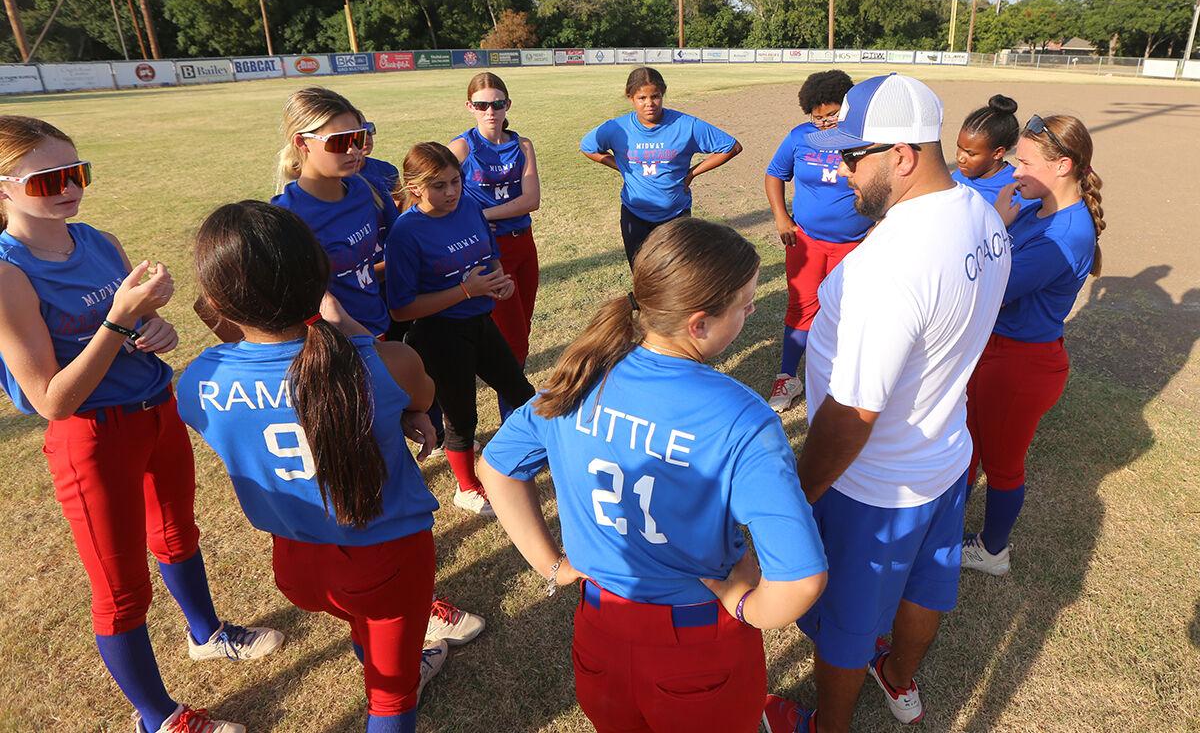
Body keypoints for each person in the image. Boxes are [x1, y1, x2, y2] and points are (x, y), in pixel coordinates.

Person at [479, 218, 828, 733]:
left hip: (599, 635)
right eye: (746, 304)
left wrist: (550, 566)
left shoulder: (578, 379)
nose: (753, 312)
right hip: (698, 649)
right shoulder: (742, 420)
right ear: (699, 323)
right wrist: (746, 605)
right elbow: (800, 579)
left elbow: (496, 468)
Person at [0, 116, 282, 733]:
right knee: (120, 584)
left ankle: (206, 633)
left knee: (179, 532)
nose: (70, 187)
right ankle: (158, 717)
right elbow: (50, 399)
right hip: (92, 438)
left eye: (77, 172)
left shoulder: (97, 240)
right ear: (3, 188)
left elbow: (143, 335)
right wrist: (122, 322)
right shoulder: (7, 271)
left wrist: (155, 330)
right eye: (51, 178)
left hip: (157, 410)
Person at [761, 75, 1011, 733]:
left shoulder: (883, 268)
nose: (836, 173)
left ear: (901, 155)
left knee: (844, 623)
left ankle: (829, 726)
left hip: (873, 486)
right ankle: (898, 677)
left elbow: (851, 418)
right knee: (928, 586)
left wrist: (797, 494)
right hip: (945, 455)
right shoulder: (982, 213)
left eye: (851, 157)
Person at [178, 201, 454, 733]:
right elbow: (418, 395)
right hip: (387, 560)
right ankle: (394, 668)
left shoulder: (198, 383)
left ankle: (386, 657)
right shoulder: (385, 362)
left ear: (214, 302)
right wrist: (351, 329)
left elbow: (273, 393)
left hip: (297, 564)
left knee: (363, 623)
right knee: (391, 700)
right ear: (320, 277)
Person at [962, 114, 1105, 576]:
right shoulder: (1033, 206)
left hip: (1021, 365)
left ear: (1062, 165)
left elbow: (990, 284)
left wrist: (994, 228)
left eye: (1023, 162)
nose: (1013, 171)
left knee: (1002, 464)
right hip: (997, 350)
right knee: (968, 446)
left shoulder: (1065, 234)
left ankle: (993, 550)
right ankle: (945, 526)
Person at [385, 142, 535, 516]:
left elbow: (490, 256)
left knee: (521, 392)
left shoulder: (469, 206)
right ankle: (467, 488)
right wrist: (465, 290)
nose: (452, 192)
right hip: (439, 334)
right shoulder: (406, 232)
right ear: (415, 188)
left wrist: (502, 282)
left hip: (481, 320)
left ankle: (532, 454)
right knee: (463, 417)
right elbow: (402, 309)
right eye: (439, 185)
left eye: (456, 180)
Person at [763, 70, 871, 413]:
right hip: (806, 243)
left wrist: (874, 229)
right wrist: (782, 217)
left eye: (832, 114)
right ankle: (787, 376)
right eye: (817, 116)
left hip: (853, 245)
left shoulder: (864, 140)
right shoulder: (799, 138)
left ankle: (841, 380)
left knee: (846, 312)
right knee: (801, 306)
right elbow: (774, 174)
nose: (825, 122)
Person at [580, 67, 742, 267]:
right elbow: (588, 147)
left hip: (675, 215)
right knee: (641, 272)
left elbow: (731, 147)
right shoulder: (617, 128)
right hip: (634, 214)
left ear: (663, 93)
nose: (649, 104)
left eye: (655, 96)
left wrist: (692, 173)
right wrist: (622, 166)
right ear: (630, 97)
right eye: (641, 98)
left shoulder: (685, 125)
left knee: (676, 273)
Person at [448, 72, 541, 416]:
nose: (491, 111)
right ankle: (513, 416)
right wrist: (473, 223)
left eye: (497, 104)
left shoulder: (523, 144)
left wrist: (482, 213)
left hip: (523, 245)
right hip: (488, 250)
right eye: (483, 105)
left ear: (507, 105)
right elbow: (430, 184)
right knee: (512, 339)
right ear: (470, 106)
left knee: (522, 329)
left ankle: (510, 406)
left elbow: (531, 200)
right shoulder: (462, 146)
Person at [271, 87, 397, 339]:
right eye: (339, 141)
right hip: (337, 345)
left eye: (358, 138)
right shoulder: (286, 217)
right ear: (302, 142)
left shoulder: (361, 187)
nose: (353, 150)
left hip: (380, 324)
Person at [952, 94, 1033, 207]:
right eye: (959, 147)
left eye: (970, 153)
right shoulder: (957, 177)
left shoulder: (1018, 189)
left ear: (998, 153)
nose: (960, 158)